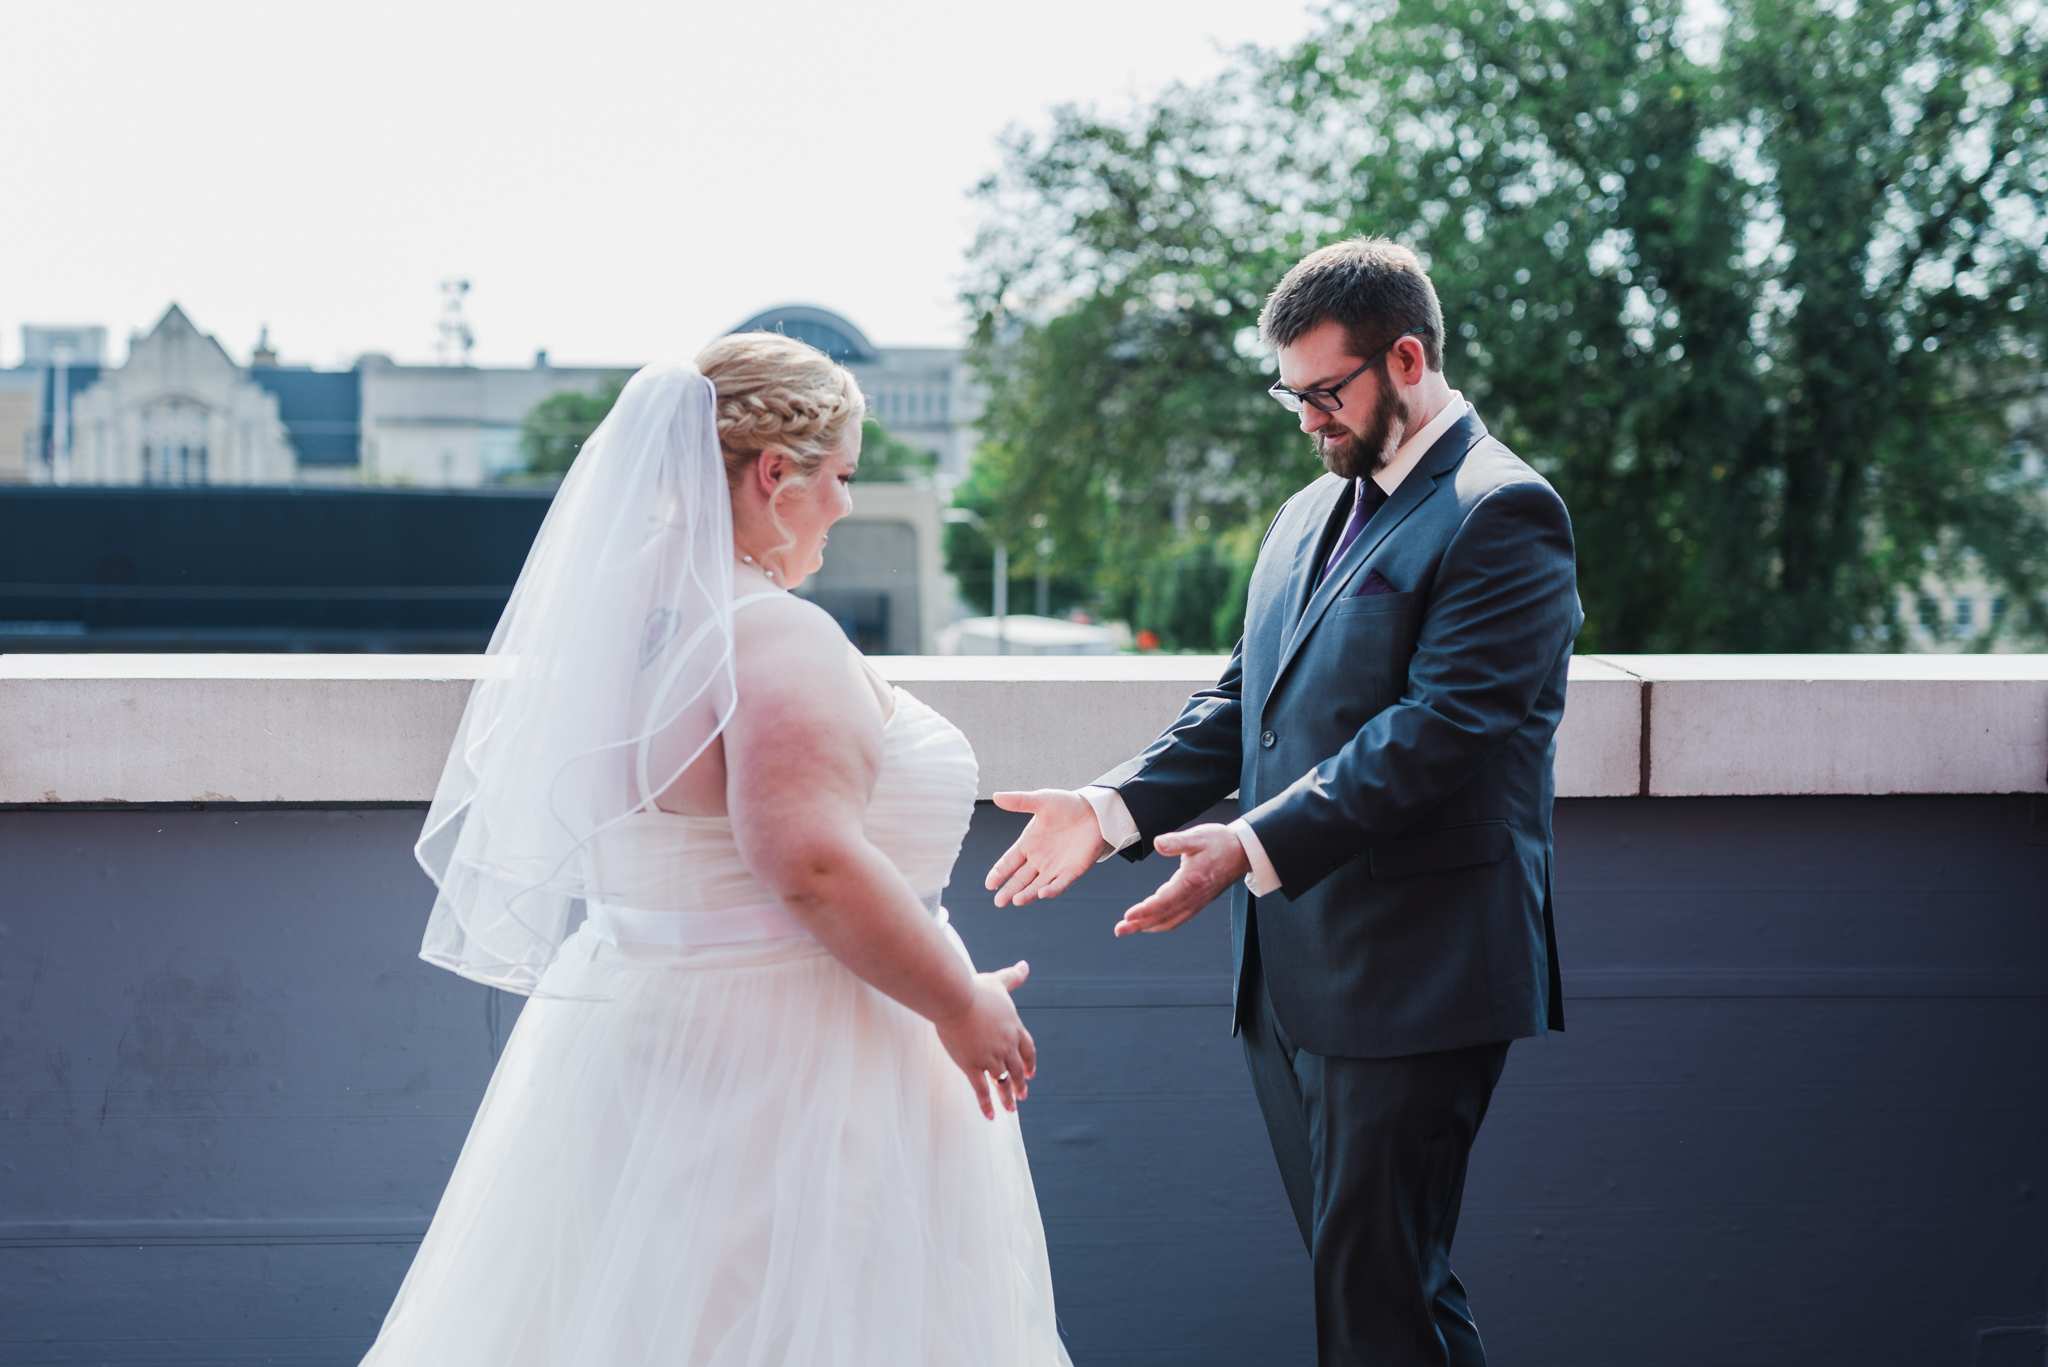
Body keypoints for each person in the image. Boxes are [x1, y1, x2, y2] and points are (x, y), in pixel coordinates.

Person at [364, 335, 1071, 1366]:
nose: (842, 505)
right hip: (791, 1060)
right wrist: (958, 1000)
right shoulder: (770, 634)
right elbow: (811, 865)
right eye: (838, 477)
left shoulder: (621, 621)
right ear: (773, 474)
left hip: (648, 1028)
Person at [986, 238, 1582, 1365]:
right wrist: (1107, 807)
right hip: (1292, 976)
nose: (1306, 418)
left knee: (1371, 1295)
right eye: (1290, 394)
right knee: (1386, 1287)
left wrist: (1250, 843)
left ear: (1404, 357)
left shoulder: (1502, 509)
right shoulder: (1307, 512)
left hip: (1418, 971)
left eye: (1324, 391)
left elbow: (1441, 729)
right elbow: (1240, 702)